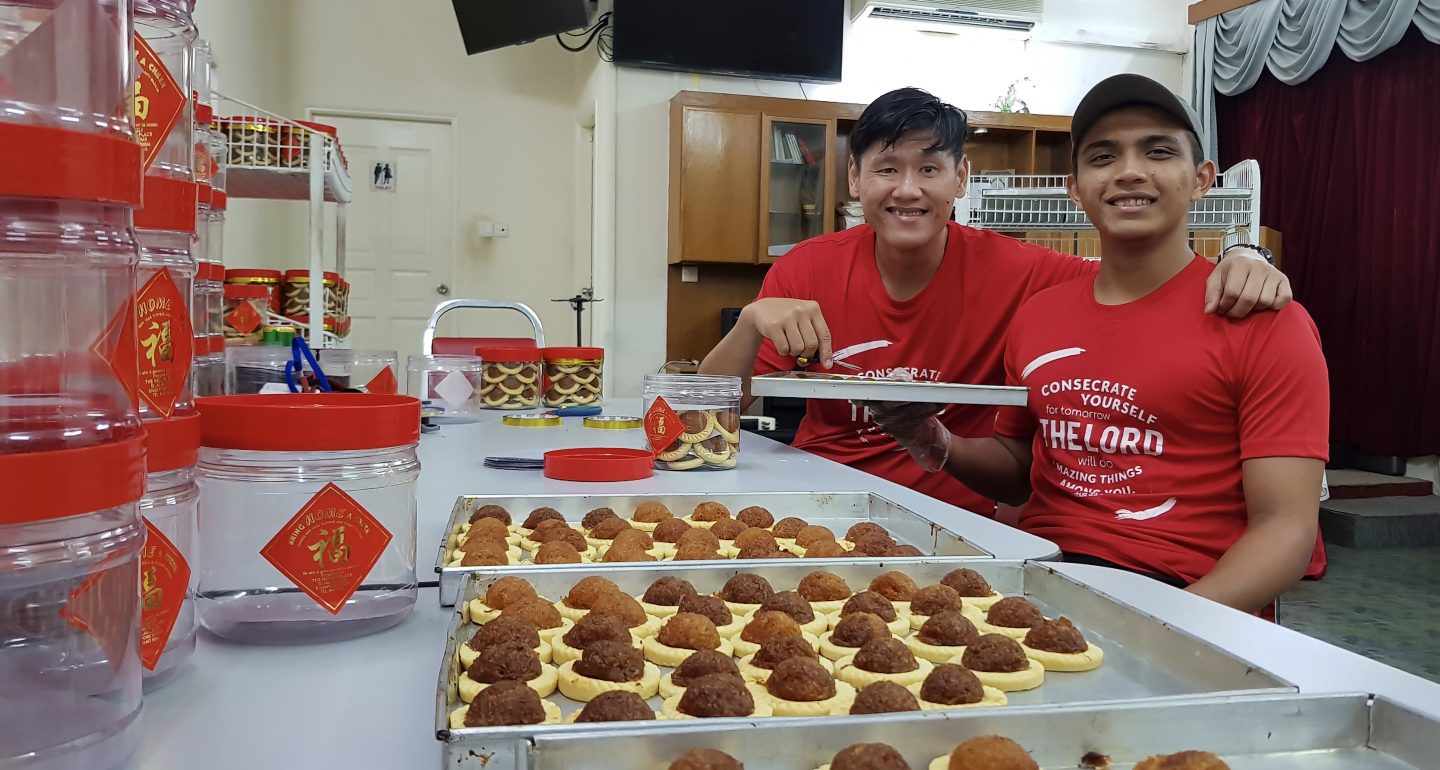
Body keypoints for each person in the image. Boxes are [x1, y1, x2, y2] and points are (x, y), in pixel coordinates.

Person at [699, 86, 1292, 516]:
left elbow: (1142, 274)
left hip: (958, 518)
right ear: (855, 180)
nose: (908, 190)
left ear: (961, 181)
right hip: (821, 505)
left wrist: (1246, 254)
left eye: (930, 168)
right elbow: (703, 415)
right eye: (886, 169)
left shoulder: (1022, 270)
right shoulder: (807, 267)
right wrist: (751, 323)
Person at [869, 75, 1328, 613]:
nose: (1130, 171)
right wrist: (932, 438)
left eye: (1157, 151)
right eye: (1104, 156)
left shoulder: (1266, 323)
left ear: (1202, 179)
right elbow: (1018, 472)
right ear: (1076, 186)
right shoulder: (1040, 315)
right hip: (1037, 576)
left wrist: (1161, 626)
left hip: (1182, 591)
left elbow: (1286, 532)